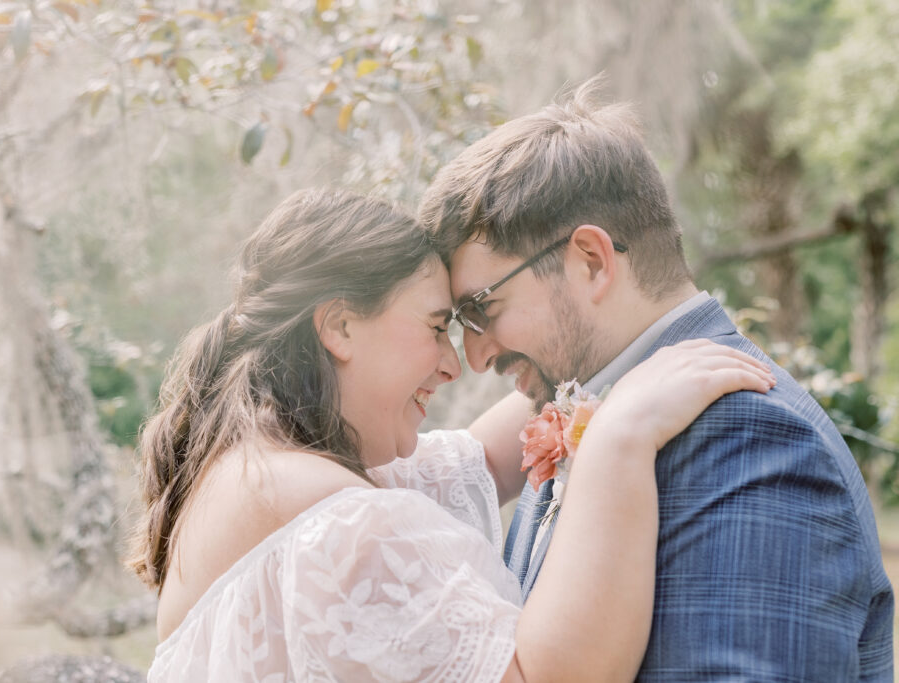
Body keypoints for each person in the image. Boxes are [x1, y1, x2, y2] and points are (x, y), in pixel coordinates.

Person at [129, 188, 774, 682]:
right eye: (438, 326)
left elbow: (483, 457)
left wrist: (618, 335)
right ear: (341, 327)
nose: (454, 361)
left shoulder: (263, 472)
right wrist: (622, 438)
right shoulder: (339, 526)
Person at [418, 78, 894, 680]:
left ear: (590, 260)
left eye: (481, 309)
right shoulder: (586, 405)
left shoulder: (756, 442)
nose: (477, 355)